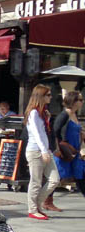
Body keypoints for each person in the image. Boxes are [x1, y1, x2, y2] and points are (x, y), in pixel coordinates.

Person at [23, 85, 60, 221]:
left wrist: (48, 120)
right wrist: (44, 151)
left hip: (45, 150)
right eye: (48, 95)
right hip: (35, 151)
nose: (51, 97)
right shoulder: (33, 113)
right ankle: (32, 209)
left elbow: (44, 133)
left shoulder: (42, 113)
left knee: (54, 179)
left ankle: (37, 204)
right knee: (36, 181)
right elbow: (37, 134)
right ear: (40, 96)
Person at [53, 90, 85, 203]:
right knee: (57, 177)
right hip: (65, 151)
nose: (82, 102)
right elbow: (55, 130)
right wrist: (61, 145)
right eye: (80, 100)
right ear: (73, 101)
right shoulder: (64, 114)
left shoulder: (74, 114)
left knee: (80, 174)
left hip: (74, 151)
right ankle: (47, 200)